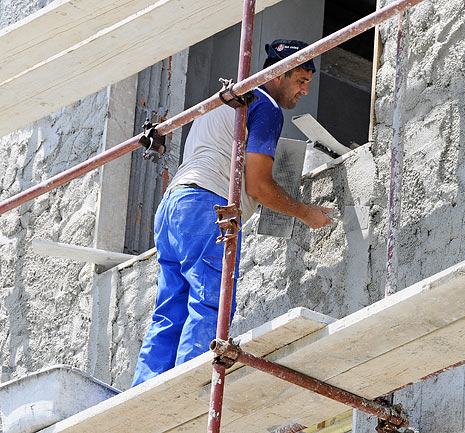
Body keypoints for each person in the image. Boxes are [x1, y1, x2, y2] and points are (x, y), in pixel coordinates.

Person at [131, 39, 333, 387]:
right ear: (279, 74)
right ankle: (187, 390)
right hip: (207, 207)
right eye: (300, 80)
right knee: (209, 302)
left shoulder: (224, 102)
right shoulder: (264, 105)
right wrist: (304, 213)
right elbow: (258, 186)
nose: (304, 91)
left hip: (172, 208)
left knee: (170, 309)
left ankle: (146, 389)